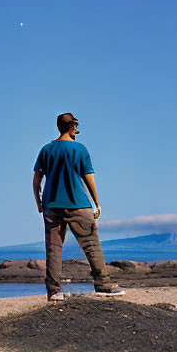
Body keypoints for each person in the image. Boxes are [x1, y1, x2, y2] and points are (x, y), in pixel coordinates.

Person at [33, 113, 125, 302]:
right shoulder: (80, 149)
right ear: (73, 127)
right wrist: (96, 202)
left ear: (58, 127)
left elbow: (36, 179)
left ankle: (53, 292)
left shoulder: (46, 150)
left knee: (53, 249)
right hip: (78, 205)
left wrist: (39, 201)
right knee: (92, 246)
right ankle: (103, 285)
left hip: (51, 205)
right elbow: (88, 177)